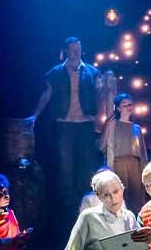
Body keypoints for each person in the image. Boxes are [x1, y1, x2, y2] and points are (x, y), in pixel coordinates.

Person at [26, 37, 105, 224]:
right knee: (65, 167)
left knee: (86, 165)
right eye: (73, 49)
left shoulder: (92, 72)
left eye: (78, 48)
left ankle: (86, 205)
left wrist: (101, 120)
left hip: (86, 124)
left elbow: (100, 96)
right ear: (66, 51)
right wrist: (35, 116)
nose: (76, 52)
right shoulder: (55, 73)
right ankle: (67, 211)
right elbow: (47, 95)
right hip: (65, 125)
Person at [99, 93, 149, 212]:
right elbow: (101, 146)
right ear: (118, 108)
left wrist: (145, 170)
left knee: (137, 197)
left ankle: (138, 224)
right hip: (118, 163)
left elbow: (143, 152)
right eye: (124, 104)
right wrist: (106, 127)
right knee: (122, 195)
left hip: (135, 165)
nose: (128, 106)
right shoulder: (112, 125)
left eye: (130, 104)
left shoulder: (136, 128)